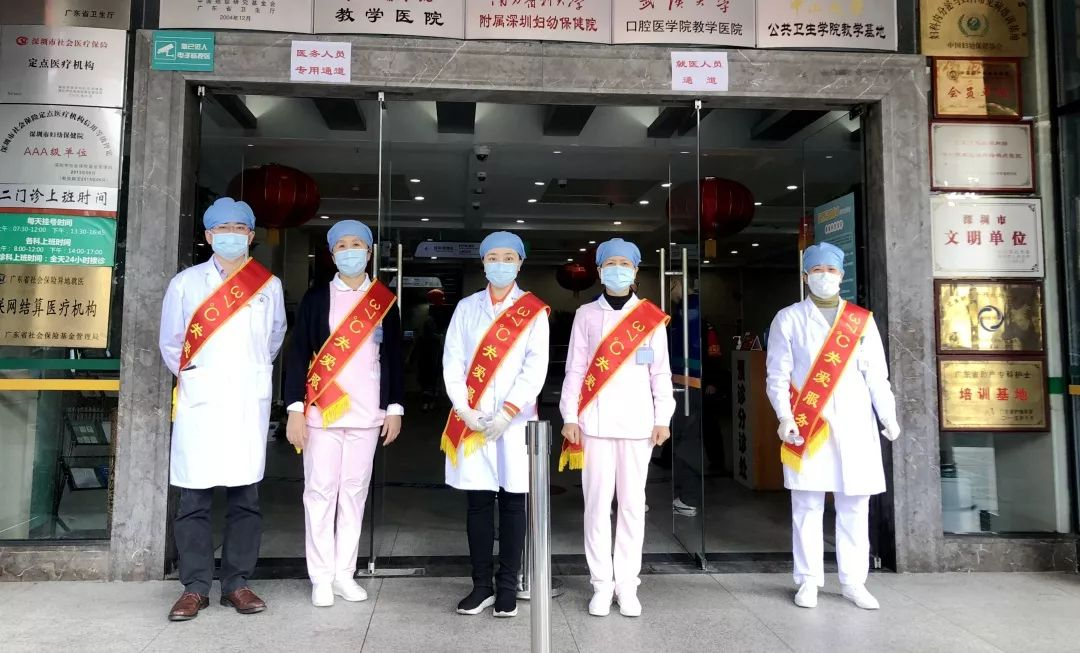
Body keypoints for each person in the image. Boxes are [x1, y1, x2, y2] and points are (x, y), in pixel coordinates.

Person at [159, 197, 286, 621]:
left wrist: (246, 373)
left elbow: (273, 338)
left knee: (245, 498)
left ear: (250, 235)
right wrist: (199, 376)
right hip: (201, 402)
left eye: (239, 229)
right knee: (193, 499)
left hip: (246, 403)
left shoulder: (268, 285)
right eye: (222, 229)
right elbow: (172, 342)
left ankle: (237, 583)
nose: (231, 236)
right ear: (209, 235)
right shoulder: (185, 283)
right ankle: (195, 587)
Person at [764, 242, 900, 611]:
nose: (824, 276)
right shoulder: (789, 318)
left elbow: (877, 374)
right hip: (809, 424)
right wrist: (784, 416)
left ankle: (853, 581)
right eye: (817, 270)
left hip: (856, 424)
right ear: (805, 275)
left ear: (841, 275)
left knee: (855, 504)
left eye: (831, 270)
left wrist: (888, 415)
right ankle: (808, 580)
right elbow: (777, 375)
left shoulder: (860, 320)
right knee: (807, 504)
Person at [283, 220, 404, 608]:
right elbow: (298, 352)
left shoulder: (383, 300)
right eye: (342, 245)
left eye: (357, 244)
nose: (350, 251)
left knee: (354, 493)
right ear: (332, 253)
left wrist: (395, 407)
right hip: (322, 411)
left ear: (369, 252)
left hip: (368, 413)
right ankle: (320, 577)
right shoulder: (317, 297)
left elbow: (394, 357)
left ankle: (344, 574)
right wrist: (294, 408)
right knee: (320, 491)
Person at [559, 238, 675, 618]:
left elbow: (660, 372)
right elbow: (575, 368)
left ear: (636, 271)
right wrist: (570, 416)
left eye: (625, 264)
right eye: (611, 264)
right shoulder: (586, 315)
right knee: (595, 506)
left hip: (639, 425)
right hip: (593, 423)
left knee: (632, 507)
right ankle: (600, 584)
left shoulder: (650, 317)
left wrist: (663, 417)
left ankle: (627, 585)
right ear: (599, 270)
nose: (618, 270)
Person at [440, 231, 550, 618]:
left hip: (514, 423)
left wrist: (506, 413)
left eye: (508, 257)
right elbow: (453, 360)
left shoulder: (533, 311)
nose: (500, 264)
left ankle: (507, 587)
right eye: (493, 257)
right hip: (473, 420)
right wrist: (464, 408)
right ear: (483, 262)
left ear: (520, 263)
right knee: (479, 502)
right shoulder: (466, 308)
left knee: (514, 502)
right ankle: (481, 586)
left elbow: (535, 366)